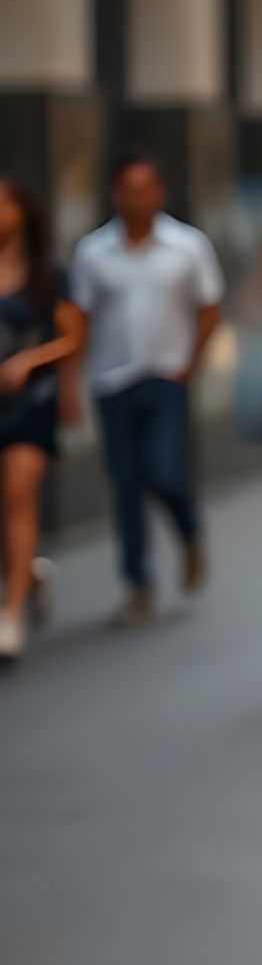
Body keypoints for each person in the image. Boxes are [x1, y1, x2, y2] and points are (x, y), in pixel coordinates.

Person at [71, 152, 223, 628]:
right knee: (126, 485)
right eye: (128, 190)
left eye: (145, 188)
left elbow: (209, 308)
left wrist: (191, 363)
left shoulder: (187, 246)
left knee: (164, 471)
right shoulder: (93, 252)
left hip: (166, 378)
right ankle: (138, 584)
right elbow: (78, 321)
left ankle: (188, 529)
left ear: (159, 192)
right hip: (112, 381)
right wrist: (69, 385)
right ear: (115, 195)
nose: (137, 199)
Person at [0, 180, 85, 663]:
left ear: (22, 213)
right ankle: (29, 575)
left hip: (32, 401)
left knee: (18, 497)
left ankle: (10, 615)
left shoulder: (47, 273)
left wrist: (30, 362)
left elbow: (74, 337)